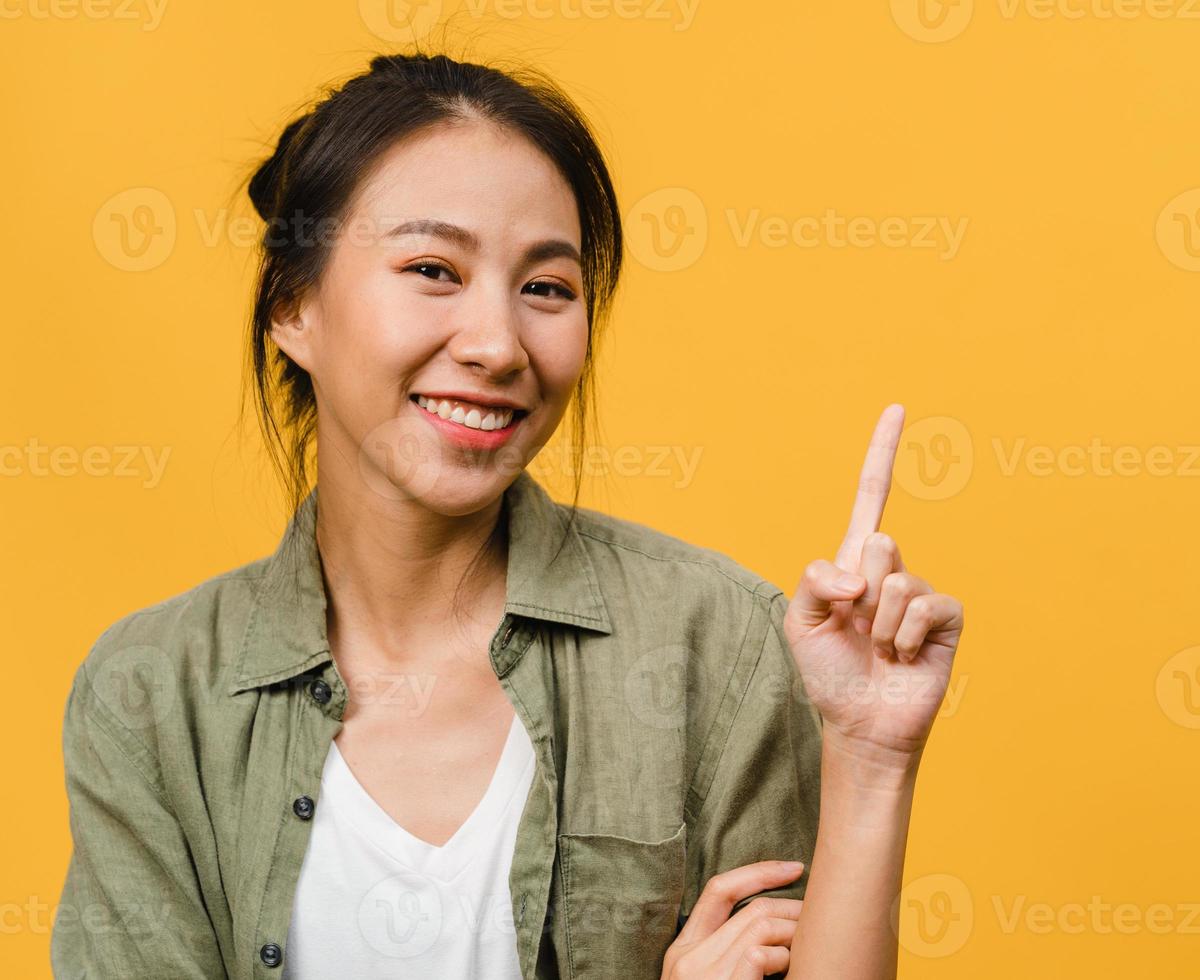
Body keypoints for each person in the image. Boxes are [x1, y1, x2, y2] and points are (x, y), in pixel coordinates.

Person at [51, 52, 965, 979]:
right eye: (432, 268)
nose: (496, 345)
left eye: (546, 288)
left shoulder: (712, 641)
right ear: (293, 307)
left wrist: (869, 761)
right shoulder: (151, 694)